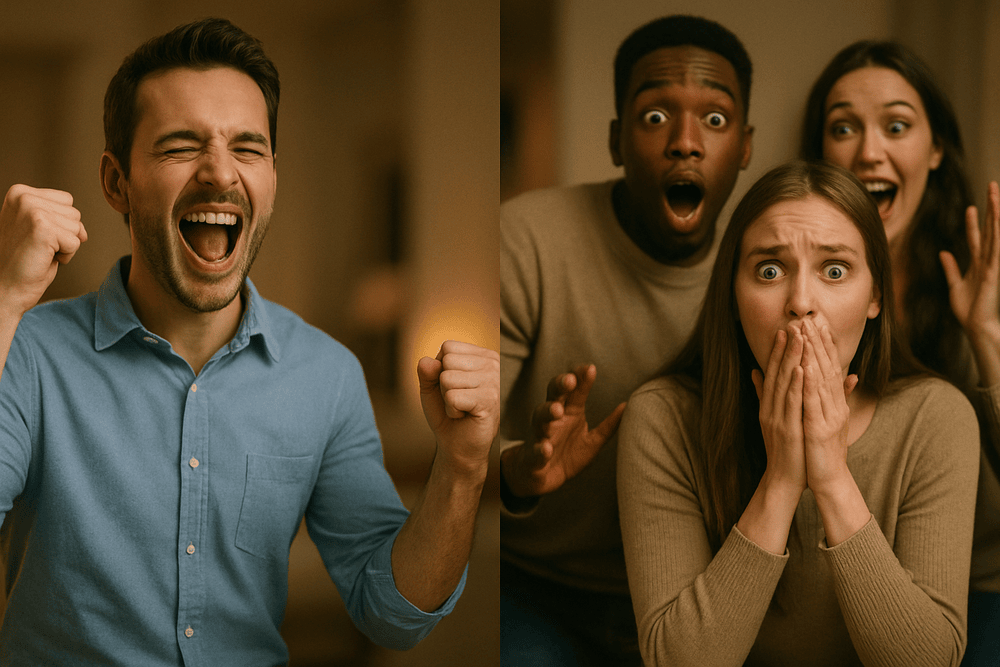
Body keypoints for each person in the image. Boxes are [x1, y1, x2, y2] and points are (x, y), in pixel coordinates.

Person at [0, 17, 499, 665]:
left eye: (247, 148)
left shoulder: (326, 375)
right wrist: (5, 298)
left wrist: (462, 466)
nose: (219, 172)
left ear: (272, 178)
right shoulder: (27, 348)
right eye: (181, 146)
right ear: (116, 182)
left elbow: (391, 613)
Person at [618, 159, 980, 666]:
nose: (801, 302)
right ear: (733, 295)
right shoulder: (662, 419)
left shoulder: (936, 417)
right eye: (770, 270)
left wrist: (831, 477)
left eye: (835, 270)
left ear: (875, 296)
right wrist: (782, 479)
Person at [500, 14, 754, 665]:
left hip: (699, 592)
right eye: (654, 116)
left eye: (715, 119)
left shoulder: (767, 267)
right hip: (539, 587)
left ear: (745, 147)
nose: (685, 143)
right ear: (616, 140)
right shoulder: (526, 239)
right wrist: (517, 470)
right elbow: (458, 450)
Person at [800, 41, 1000, 665]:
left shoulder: (986, 277)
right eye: (843, 128)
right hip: (830, 582)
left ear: (935, 149)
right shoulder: (792, 293)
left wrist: (986, 335)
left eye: (896, 126)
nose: (869, 151)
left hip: (978, 586)